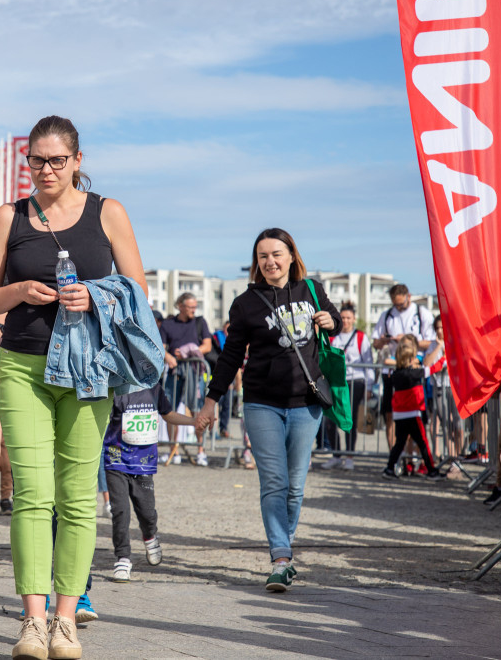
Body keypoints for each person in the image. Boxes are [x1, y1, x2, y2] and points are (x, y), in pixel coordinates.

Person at [0, 115, 147, 659]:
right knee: (31, 495)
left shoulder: (108, 212)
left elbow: (138, 292)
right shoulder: (10, 217)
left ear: (77, 161)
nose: (45, 170)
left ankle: (66, 621)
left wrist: (95, 296)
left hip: (89, 370)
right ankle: (32, 621)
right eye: (36, 161)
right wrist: (19, 290)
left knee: (76, 500)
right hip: (24, 367)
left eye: (56, 160)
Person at [195, 228, 340, 593]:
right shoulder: (246, 302)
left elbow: (335, 319)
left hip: (306, 404)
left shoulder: (312, 289)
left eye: (277, 254)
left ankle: (283, 546)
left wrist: (329, 321)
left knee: (295, 486)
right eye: (263, 256)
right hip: (261, 403)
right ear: (256, 263)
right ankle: (280, 556)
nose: (270, 261)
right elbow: (230, 357)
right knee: (273, 481)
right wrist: (211, 400)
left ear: (292, 255)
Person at [104, 381, 195, 583]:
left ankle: (150, 535)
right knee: (120, 510)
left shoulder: (153, 387)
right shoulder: (115, 387)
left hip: (144, 464)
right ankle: (123, 558)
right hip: (115, 460)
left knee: (146, 511)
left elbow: (168, 413)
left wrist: (193, 422)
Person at [372, 284, 435, 447]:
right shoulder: (387, 315)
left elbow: (431, 343)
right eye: (395, 304)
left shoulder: (422, 314)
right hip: (392, 373)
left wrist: (406, 341)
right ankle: (395, 455)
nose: (398, 307)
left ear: (409, 296)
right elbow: (376, 343)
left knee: (413, 416)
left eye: (401, 304)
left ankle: (411, 455)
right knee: (390, 414)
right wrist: (385, 340)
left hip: (413, 371)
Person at [159, 292, 213, 465]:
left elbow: (207, 346)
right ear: (180, 306)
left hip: (194, 371)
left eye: (195, 307)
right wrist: (169, 357)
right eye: (190, 307)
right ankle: (173, 450)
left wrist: (187, 351)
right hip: (174, 371)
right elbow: (161, 347)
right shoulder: (168, 324)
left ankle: (200, 450)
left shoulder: (199, 322)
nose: (193, 310)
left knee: (197, 409)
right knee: (170, 410)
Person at [320, 303, 372, 471]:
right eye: (342, 318)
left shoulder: (361, 337)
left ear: (354, 319)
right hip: (335, 382)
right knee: (330, 420)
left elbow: (369, 362)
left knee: (349, 419)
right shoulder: (332, 337)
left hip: (355, 382)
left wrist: (369, 386)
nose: (346, 321)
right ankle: (336, 455)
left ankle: (349, 456)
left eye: (348, 318)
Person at [381, 340, 443, 479]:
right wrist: (444, 357)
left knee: (399, 443)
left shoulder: (395, 374)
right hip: (413, 413)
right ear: (410, 359)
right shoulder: (415, 373)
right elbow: (434, 368)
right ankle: (431, 470)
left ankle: (389, 468)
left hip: (399, 414)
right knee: (423, 443)